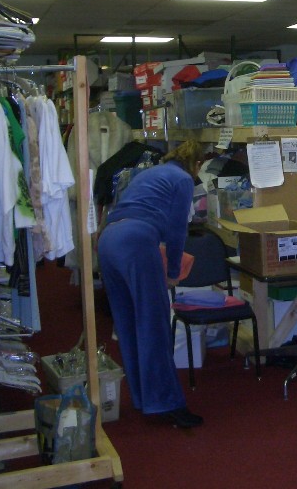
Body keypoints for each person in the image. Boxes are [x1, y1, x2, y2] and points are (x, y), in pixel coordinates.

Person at [97, 139, 203, 428]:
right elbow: (177, 230)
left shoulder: (150, 173)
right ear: (196, 165)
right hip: (136, 242)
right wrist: (173, 271)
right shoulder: (183, 179)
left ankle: (144, 398)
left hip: (108, 241)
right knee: (154, 326)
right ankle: (168, 403)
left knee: (128, 325)